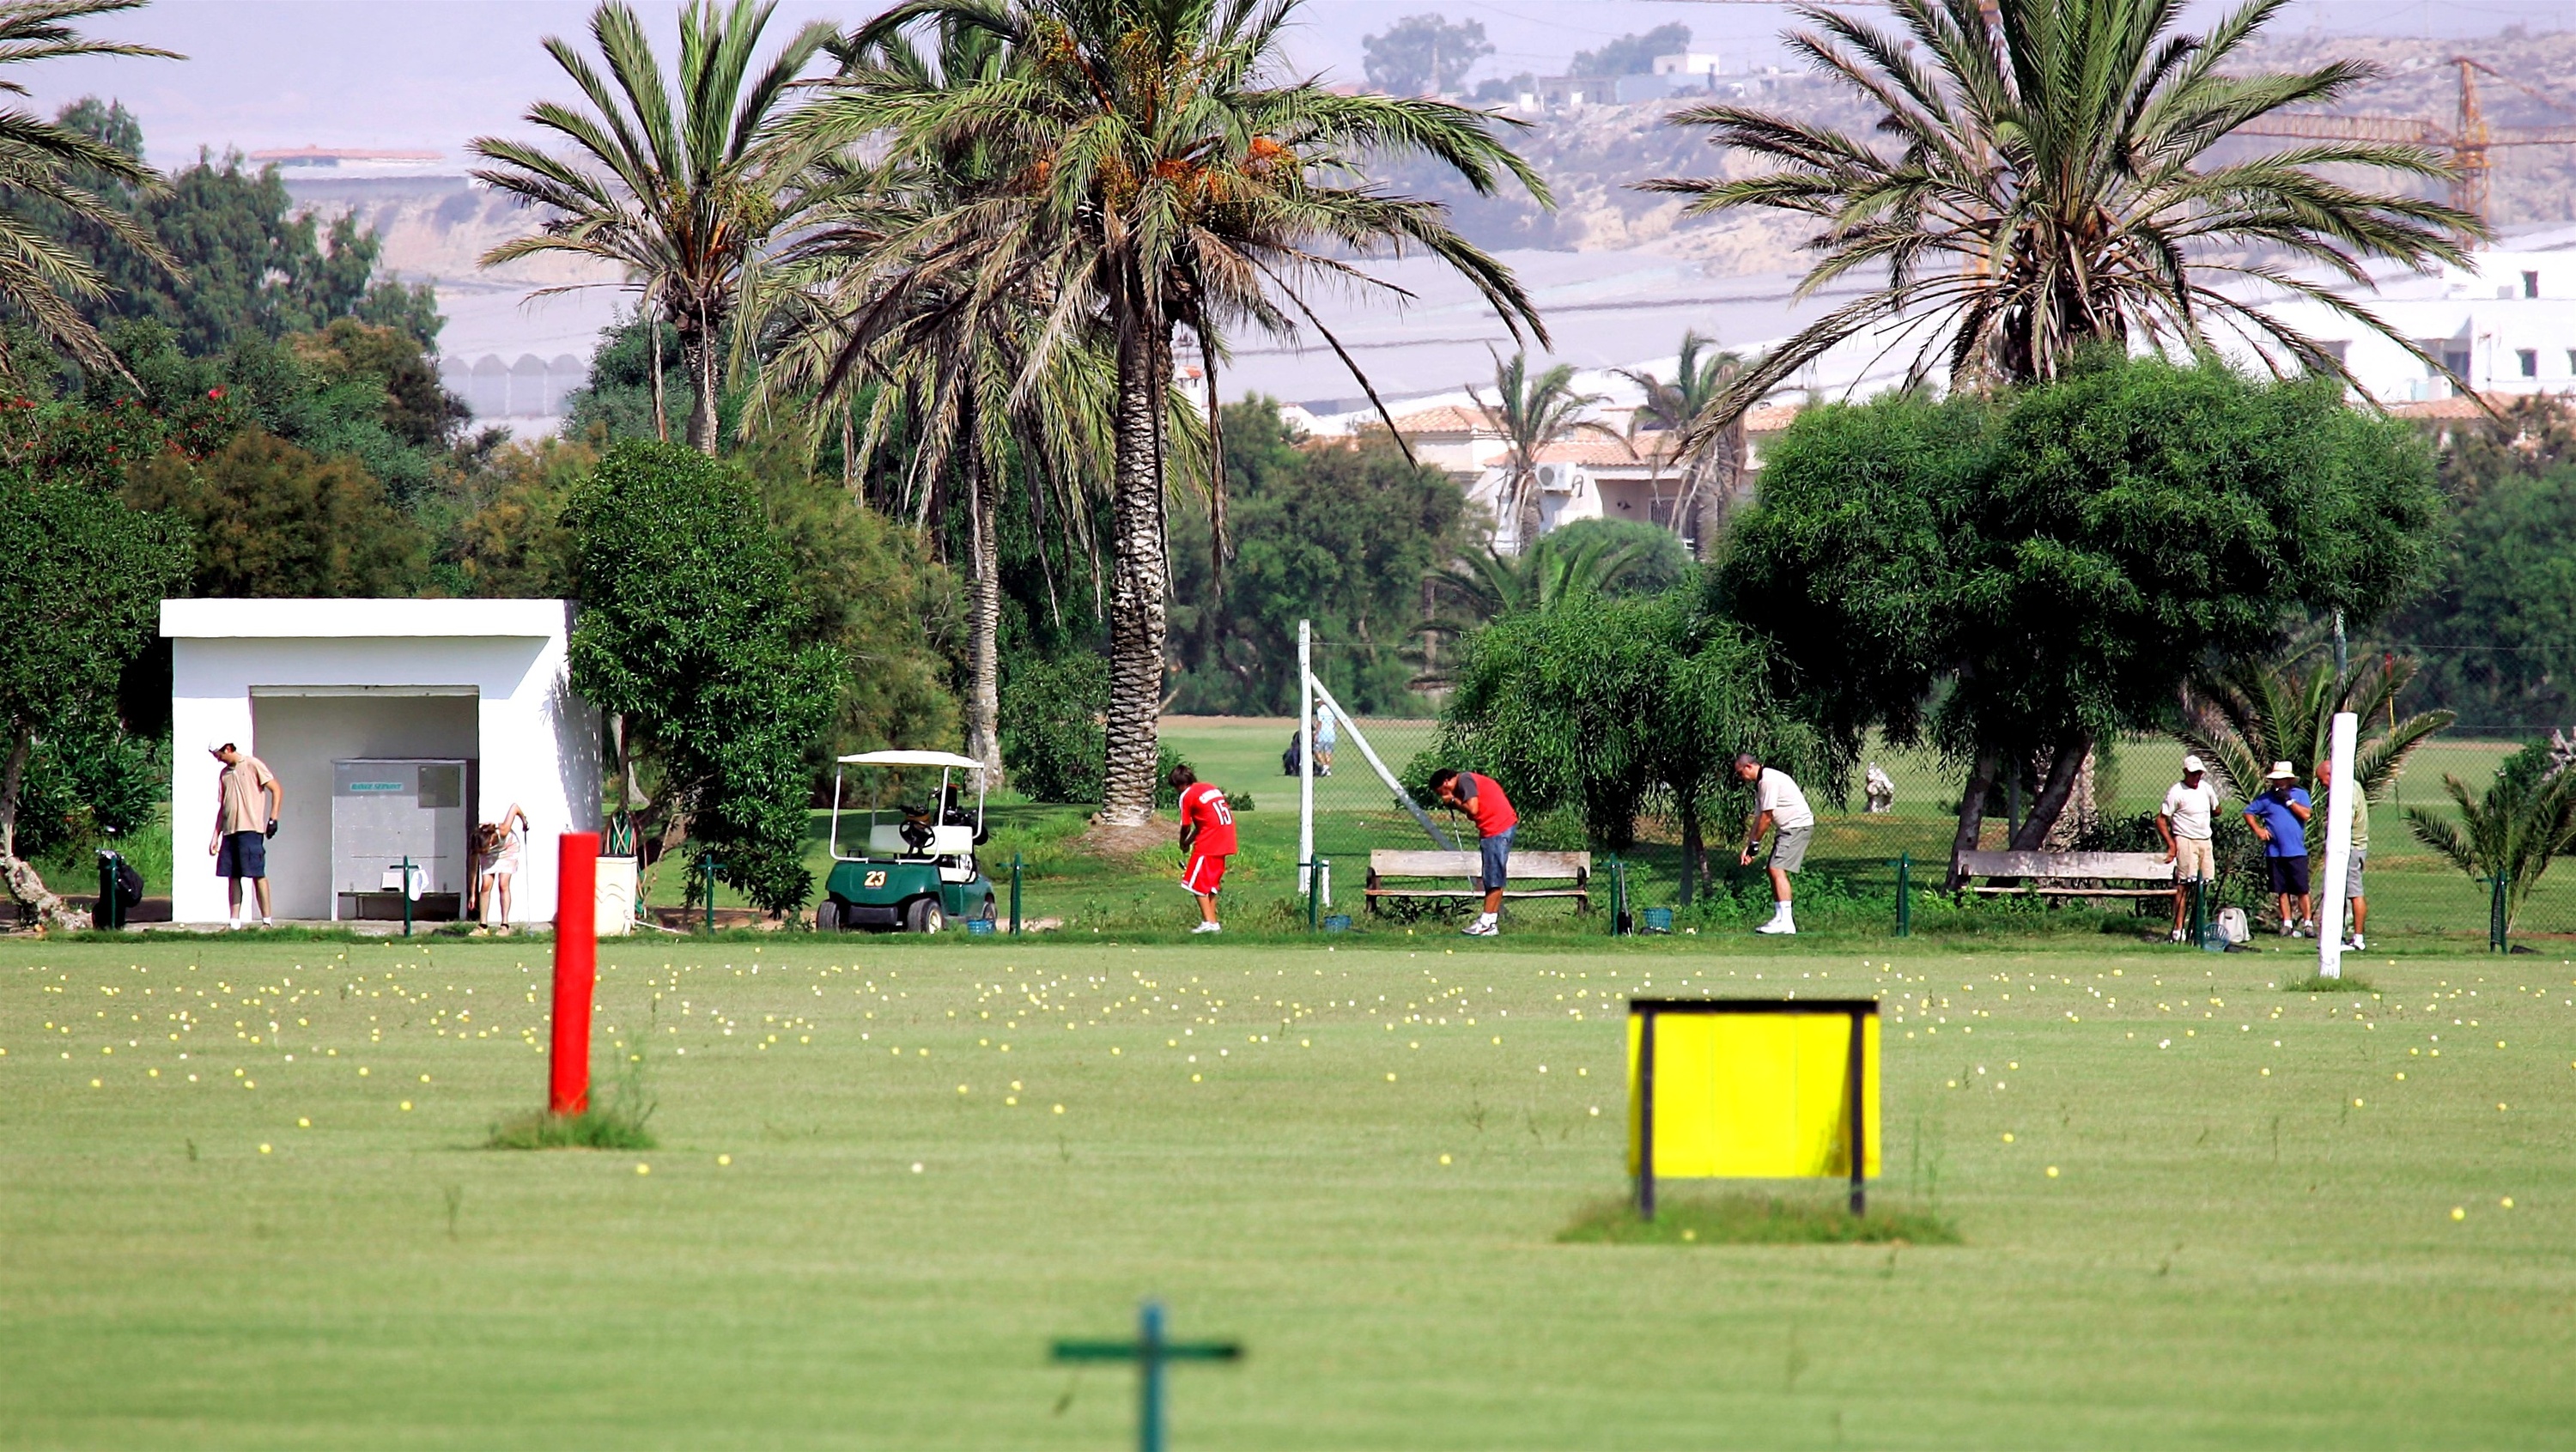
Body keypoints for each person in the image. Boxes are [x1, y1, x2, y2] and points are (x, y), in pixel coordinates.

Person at [1429, 767, 1516, 937]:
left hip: (1497, 829)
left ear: (1446, 782)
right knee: (1493, 876)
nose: (1441, 796)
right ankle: (1489, 922)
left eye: (1441, 791)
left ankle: (1486, 923)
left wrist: (1452, 801)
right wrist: (1455, 801)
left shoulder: (1465, 780)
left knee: (1493, 877)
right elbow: (1471, 812)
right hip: (1496, 829)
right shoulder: (1465, 784)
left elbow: (1473, 809)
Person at [1735, 752, 1814, 935]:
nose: (1741, 778)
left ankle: (1786, 922)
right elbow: (1758, 818)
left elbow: (1767, 817)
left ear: (1749, 767)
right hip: (1788, 828)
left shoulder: (1768, 781)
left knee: (1776, 869)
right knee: (1773, 868)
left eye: (1740, 773)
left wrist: (1756, 843)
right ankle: (1780, 918)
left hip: (1796, 826)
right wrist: (1749, 847)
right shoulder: (1761, 783)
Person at [205, 740, 282, 930]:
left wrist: (273, 819)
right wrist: (215, 835)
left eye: (220, 756)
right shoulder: (224, 775)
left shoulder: (253, 764)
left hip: (251, 830)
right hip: (230, 831)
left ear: (228, 749)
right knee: (233, 875)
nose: (219, 760)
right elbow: (223, 807)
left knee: (258, 874)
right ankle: (235, 923)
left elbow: (276, 789)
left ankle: (266, 921)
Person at [2156, 754, 2224, 943]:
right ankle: (2179, 929)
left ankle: (2199, 928)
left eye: (2199, 773)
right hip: (2185, 840)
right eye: (2193, 774)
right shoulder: (2176, 792)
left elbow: (2217, 809)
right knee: (2184, 884)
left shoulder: (2206, 789)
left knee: (2205, 883)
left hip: (2205, 840)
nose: (2197, 777)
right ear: (2186, 772)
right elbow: (2161, 819)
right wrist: (2172, 844)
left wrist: (2210, 811)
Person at [2243, 761, 2315, 936]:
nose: (2278, 783)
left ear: (2289, 780)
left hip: (2296, 851)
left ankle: (2307, 923)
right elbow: (2248, 812)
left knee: (2301, 889)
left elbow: (2306, 814)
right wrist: (2258, 830)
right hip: (2275, 851)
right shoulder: (2266, 799)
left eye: (2281, 780)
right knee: (2281, 889)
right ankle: (2287, 923)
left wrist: (2289, 802)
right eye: (2276, 780)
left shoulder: (2300, 795)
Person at [1170, 762, 1236, 934]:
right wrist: (1189, 842)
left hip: (1209, 841)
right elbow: (1203, 822)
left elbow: (1186, 824)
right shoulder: (1209, 787)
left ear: (1179, 785)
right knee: (1211, 884)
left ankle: (1208, 923)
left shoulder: (1187, 795)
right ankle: (1213, 923)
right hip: (1226, 837)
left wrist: (1182, 841)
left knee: (1195, 883)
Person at [2314, 757, 2368, 951]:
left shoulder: (2348, 790)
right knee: (2341, 892)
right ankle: (2339, 935)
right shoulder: (2346, 787)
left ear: (2331, 774)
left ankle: (2358, 938)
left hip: (2352, 847)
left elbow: (2348, 819)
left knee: (2354, 892)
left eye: (2323, 781)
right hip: (2344, 847)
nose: (2323, 786)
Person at [473, 803, 530, 933]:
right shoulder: (477, 840)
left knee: (503, 883)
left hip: (508, 847)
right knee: (486, 885)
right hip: (491, 851)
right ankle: (483, 926)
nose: (483, 852)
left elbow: (515, 807)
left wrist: (524, 821)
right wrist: (472, 893)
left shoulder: (503, 830)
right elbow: (473, 868)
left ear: (490, 840)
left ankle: (505, 925)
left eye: (484, 849)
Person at [1313, 708, 1337, 777]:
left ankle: (1324, 766)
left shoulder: (1320, 710)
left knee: (1316, 751)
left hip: (1322, 734)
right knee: (1328, 753)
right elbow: (1334, 723)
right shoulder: (1332, 710)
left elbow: (1320, 722)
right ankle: (1328, 770)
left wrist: (1316, 733)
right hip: (1331, 734)